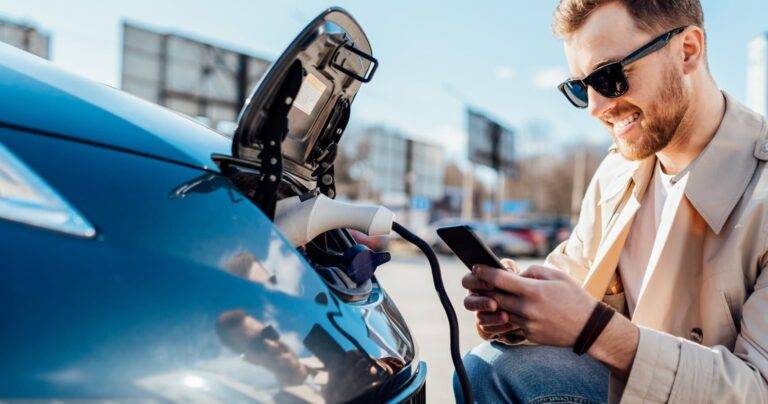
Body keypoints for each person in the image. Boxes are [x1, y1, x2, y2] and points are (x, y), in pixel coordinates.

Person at [458, 0, 768, 402]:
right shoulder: (618, 171)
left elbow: (758, 389)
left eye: (609, 77)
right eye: (578, 87)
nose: (595, 107)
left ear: (688, 51)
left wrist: (595, 329)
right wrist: (517, 310)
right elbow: (574, 274)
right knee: (491, 368)